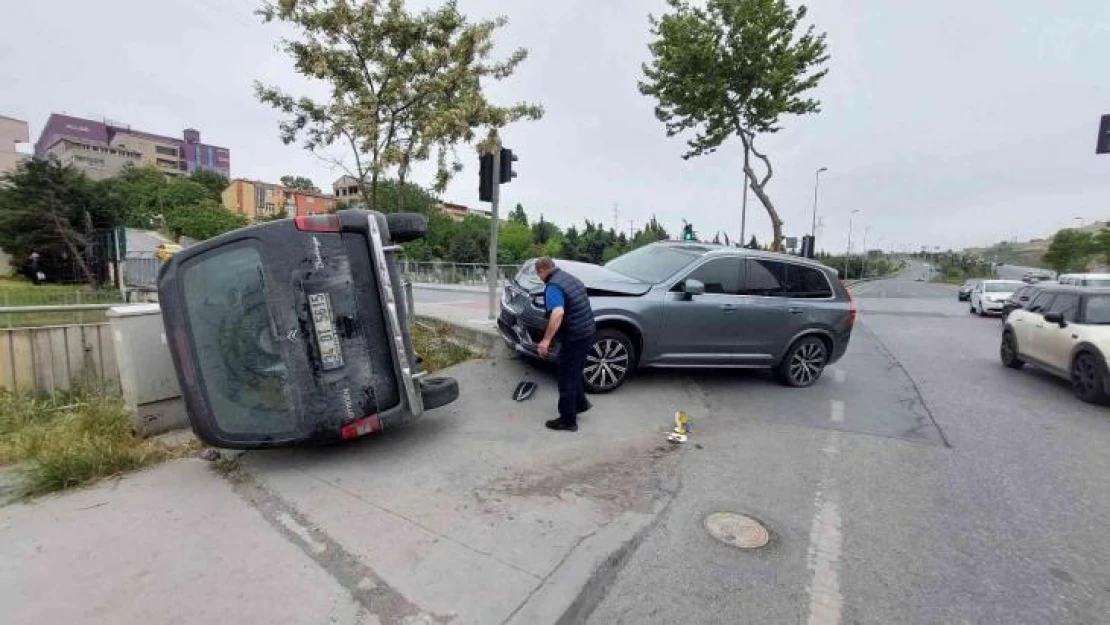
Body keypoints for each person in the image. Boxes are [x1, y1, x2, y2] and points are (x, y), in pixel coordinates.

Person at [534, 257, 596, 432]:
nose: (539, 278)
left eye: (538, 275)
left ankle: (568, 421)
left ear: (542, 271)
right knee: (574, 370)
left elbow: (558, 313)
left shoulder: (553, 286)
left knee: (566, 376)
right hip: (587, 331)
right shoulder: (569, 278)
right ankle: (580, 403)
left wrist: (545, 341)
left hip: (575, 337)